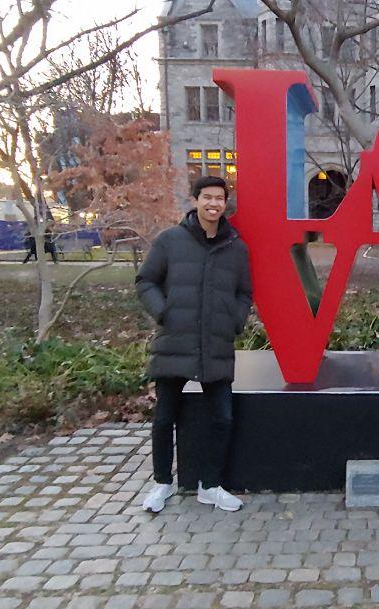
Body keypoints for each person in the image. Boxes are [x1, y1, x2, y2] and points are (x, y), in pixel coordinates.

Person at [135, 176, 252, 514]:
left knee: (222, 419)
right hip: (176, 341)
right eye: (207, 197)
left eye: (220, 198)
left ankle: (210, 485)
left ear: (225, 203)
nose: (214, 204)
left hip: (215, 343)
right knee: (164, 419)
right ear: (195, 200)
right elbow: (146, 280)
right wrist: (164, 312)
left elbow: (244, 292)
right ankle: (161, 483)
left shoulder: (236, 247)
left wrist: (235, 319)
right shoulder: (171, 241)